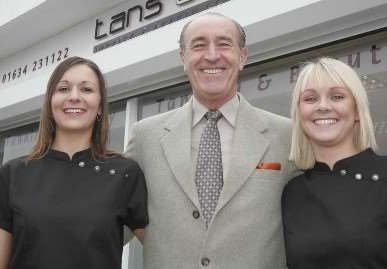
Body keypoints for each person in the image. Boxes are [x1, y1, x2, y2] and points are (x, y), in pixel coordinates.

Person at [124, 13, 294, 268]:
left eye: (224, 44)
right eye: (199, 45)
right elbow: (116, 217)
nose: (212, 55)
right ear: (183, 58)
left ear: (243, 57)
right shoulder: (145, 136)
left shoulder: (287, 134)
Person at [0, 56, 148, 269]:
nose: (74, 97)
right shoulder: (13, 174)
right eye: (63, 89)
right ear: (50, 102)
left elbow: (166, 247)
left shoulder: (124, 173)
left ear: (101, 107)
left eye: (86, 89)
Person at [282, 57, 387, 268]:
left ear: (357, 110)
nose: (323, 106)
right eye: (310, 99)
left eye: (337, 96)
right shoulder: (292, 192)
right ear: (299, 114)